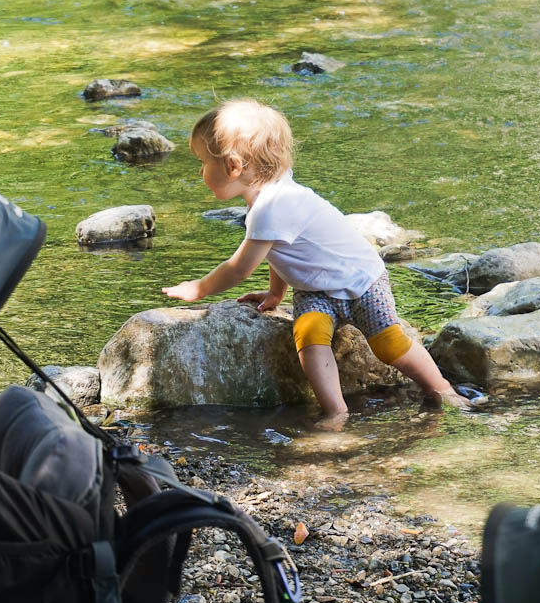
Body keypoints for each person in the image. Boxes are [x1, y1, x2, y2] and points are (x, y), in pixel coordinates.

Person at [162, 99, 473, 426]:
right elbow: (281, 248)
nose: (200, 172)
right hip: (315, 291)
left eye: (202, 163)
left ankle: (441, 388)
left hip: (361, 281)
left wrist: (199, 288)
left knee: (387, 342)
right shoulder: (272, 197)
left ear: (233, 166)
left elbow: (239, 268)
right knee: (309, 339)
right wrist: (276, 294)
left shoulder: (273, 206)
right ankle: (336, 411)